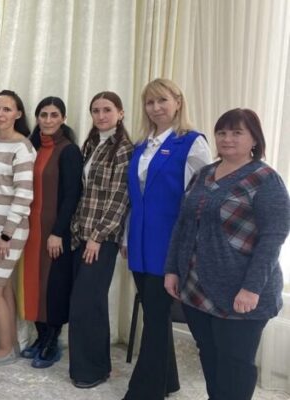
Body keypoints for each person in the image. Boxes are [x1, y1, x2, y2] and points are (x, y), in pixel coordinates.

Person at [164, 109, 288, 400]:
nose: (227, 138)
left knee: (235, 365)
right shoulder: (204, 174)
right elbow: (182, 224)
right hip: (196, 287)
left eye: (237, 133)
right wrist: (172, 269)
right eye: (222, 132)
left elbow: (273, 238)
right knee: (209, 355)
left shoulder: (266, 179)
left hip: (241, 291)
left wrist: (251, 288)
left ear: (254, 139)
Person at [122, 79, 212, 399]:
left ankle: (145, 391)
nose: (156, 108)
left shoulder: (192, 142)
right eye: (150, 102)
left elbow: (199, 200)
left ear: (178, 102)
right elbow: (134, 199)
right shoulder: (140, 146)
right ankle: (167, 381)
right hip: (139, 242)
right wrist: (126, 237)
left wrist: (190, 247)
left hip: (168, 243)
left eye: (162, 100)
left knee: (157, 317)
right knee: (153, 313)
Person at [67, 91, 134, 388]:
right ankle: (98, 365)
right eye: (96, 110)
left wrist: (98, 236)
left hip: (101, 238)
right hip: (81, 234)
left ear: (120, 113)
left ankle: (90, 371)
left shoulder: (124, 149)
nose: (101, 115)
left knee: (85, 303)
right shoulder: (92, 143)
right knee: (90, 303)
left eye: (107, 110)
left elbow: (120, 198)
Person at [18, 97, 83, 369]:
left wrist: (58, 232)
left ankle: (52, 341)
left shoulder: (69, 151)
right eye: (43, 114)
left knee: (53, 286)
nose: (47, 120)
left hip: (54, 231)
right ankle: (41, 335)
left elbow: (72, 196)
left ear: (63, 119)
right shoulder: (30, 147)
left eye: (54, 115)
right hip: (30, 230)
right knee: (33, 285)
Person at [0, 90, 35, 367]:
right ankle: (9, 342)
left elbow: (24, 195)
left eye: (7, 109)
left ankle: (4, 348)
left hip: (7, 230)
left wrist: (6, 234)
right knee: (2, 288)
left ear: (18, 114)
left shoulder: (22, 147)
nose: (0, 114)